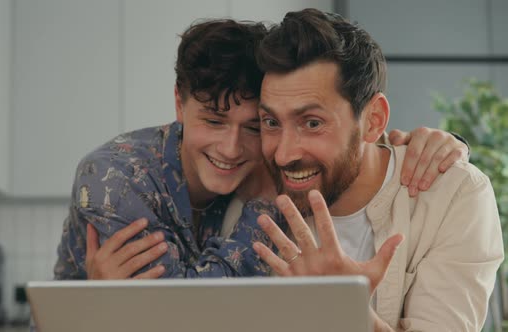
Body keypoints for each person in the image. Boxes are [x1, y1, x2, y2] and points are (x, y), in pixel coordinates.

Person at [53, 18, 469, 281]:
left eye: (255, 125)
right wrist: (265, 203)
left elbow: (344, 138)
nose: (231, 148)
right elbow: (180, 313)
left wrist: (434, 143)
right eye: (213, 120)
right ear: (180, 104)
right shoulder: (115, 176)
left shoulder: (276, 159)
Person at [249, 9, 503, 331]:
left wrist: (348, 312)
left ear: (373, 121)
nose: (284, 155)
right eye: (271, 122)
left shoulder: (454, 194)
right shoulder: (251, 190)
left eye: (312, 123)